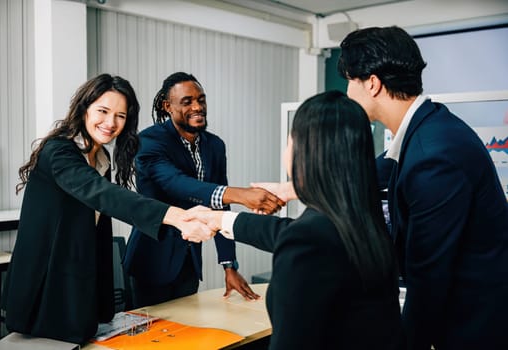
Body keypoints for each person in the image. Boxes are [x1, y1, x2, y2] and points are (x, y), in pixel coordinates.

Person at [257, 26, 508, 350]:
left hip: (473, 329)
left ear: (372, 83)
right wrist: (296, 186)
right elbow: (385, 168)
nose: (347, 93)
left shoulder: (434, 155)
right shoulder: (429, 130)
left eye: (350, 81)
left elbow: (426, 279)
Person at [1, 74, 213, 345]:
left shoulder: (100, 157)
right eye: (103, 111)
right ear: (84, 108)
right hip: (46, 280)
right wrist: (178, 217)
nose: (111, 123)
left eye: (120, 116)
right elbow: (105, 196)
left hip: (78, 276)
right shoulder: (58, 152)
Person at [189, 90, 405, 350]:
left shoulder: (309, 239)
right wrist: (221, 219)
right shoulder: (366, 224)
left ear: (305, 150)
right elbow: (296, 233)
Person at [123, 72, 285, 307]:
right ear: (167, 106)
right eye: (187, 101)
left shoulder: (215, 145)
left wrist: (229, 265)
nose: (198, 107)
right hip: (151, 262)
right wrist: (241, 195)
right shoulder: (149, 141)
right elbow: (176, 183)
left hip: (189, 261)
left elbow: (220, 205)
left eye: (201, 99)